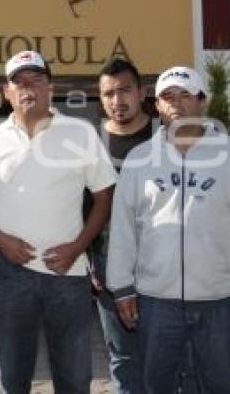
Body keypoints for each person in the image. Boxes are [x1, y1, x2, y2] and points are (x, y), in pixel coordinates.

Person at [0, 50, 117, 394]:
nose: (28, 87)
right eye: (19, 82)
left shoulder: (81, 133)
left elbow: (104, 196)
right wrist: (1, 241)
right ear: (6, 92)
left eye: (36, 80)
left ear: (50, 87)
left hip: (67, 275)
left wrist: (78, 247)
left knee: (73, 380)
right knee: (13, 380)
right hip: (10, 276)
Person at [107, 65, 230, 394]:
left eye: (186, 95)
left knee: (217, 385)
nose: (176, 104)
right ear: (156, 106)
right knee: (157, 385)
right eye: (167, 97)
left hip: (219, 301)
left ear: (203, 102)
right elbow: (124, 227)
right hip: (155, 302)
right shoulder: (140, 159)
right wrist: (122, 286)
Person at [91, 57, 153, 393]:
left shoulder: (166, 139)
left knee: (168, 352)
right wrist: (89, 262)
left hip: (164, 262)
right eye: (109, 93)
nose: (117, 100)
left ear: (142, 92)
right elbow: (80, 206)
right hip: (109, 261)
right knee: (123, 356)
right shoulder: (90, 145)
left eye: (125, 90)